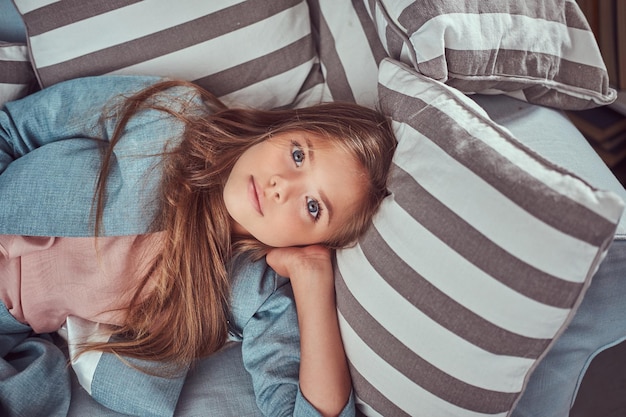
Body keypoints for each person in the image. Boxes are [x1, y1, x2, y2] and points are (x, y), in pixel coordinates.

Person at [0, 75, 397, 417]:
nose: (281, 187)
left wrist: (312, 282)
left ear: (316, 241)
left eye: (313, 207)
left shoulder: (254, 290)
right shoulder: (170, 115)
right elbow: (15, 128)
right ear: (280, 129)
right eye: (298, 155)